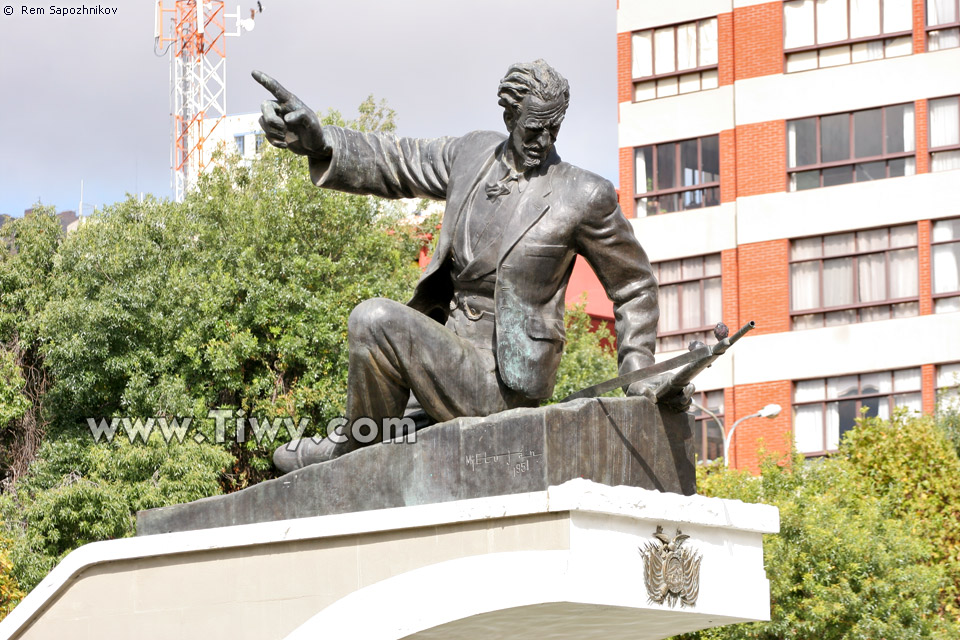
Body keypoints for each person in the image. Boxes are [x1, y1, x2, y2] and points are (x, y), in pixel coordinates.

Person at [255, 60, 663, 473]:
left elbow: (634, 285)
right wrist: (322, 142)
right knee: (389, 441)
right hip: (443, 363)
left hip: (502, 382)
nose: (544, 140)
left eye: (554, 128)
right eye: (533, 129)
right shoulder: (472, 155)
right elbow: (397, 160)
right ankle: (364, 448)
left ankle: (351, 455)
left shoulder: (584, 194)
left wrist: (638, 368)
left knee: (374, 319)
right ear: (509, 117)